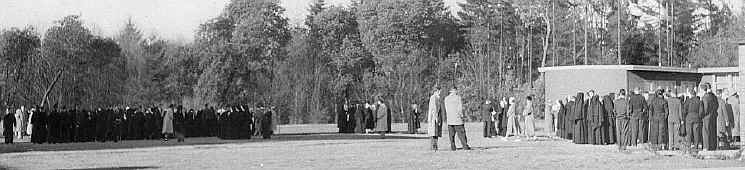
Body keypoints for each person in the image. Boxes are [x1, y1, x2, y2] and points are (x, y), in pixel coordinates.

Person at [701, 83, 718, 151]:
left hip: (707, 117)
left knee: (706, 132)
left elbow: (705, 108)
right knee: (713, 131)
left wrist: (702, 115)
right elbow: (717, 105)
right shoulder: (714, 96)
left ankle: (706, 147)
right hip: (713, 115)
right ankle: (713, 146)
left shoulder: (705, 97)